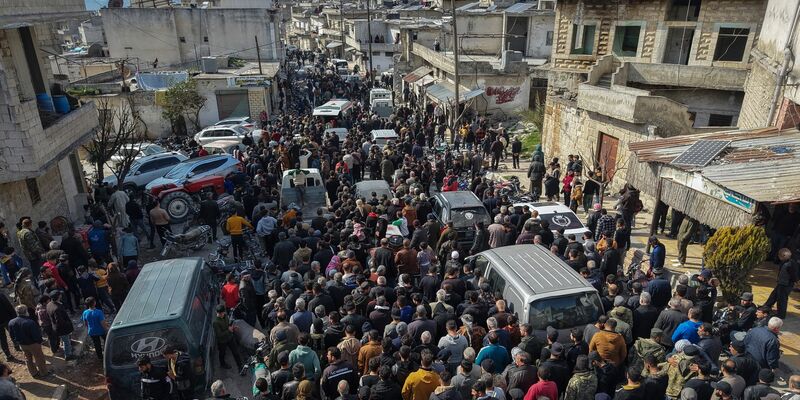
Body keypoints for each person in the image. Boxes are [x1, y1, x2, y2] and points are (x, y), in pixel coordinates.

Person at [8, 305, 48, 378]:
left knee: (28, 359)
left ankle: (34, 373)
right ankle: (44, 373)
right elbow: (36, 335)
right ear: (26, 312)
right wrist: (39, 341)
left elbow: (12, 335)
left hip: (22, 345)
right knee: (39, 358)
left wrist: (17, 342)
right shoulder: (30, 322)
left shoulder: (11, 322)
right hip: (33, 344)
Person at [763, 248, 796, 319]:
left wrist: (794, 282)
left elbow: (793, 276)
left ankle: (781, 314)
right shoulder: (787, 262)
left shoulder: (789, 265)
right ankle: (767, 306)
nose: (779, 257)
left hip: (785, 285)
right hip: (782, 283)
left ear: (783, 256)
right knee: (774, 295)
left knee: (782, 299)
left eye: (780, 256)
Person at [46, 291, 75, 360]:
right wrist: (68, 324)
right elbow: (59, 321)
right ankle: (68, 355)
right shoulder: (57, 308)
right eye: (60, 295)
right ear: (58, 297)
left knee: (64, 340)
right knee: (66, 341)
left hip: (55, 327)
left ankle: (68, 350)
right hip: (62, 328)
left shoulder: (49, 304)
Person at [213, 304, 243, 369]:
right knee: (222, 353)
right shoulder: (216, 322)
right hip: (222, 341)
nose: (221, 314)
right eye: (219, 313)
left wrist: (233, 328)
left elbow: (228, 325)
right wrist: (229, 330)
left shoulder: (226, 316)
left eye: (222, 313)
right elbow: (219, 335)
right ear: (217, 313)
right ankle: (222, 364)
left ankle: (240, 366)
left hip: (230, 338)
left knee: (235, 352)